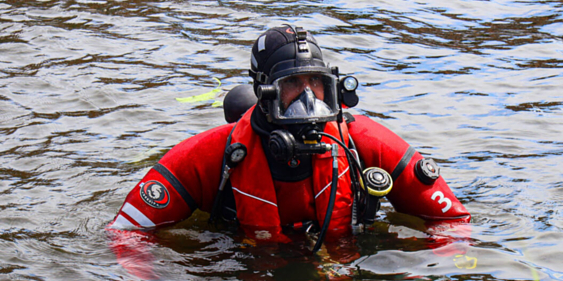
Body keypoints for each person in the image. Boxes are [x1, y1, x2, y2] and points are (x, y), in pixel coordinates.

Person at [108, 25, 469, 254]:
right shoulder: (208, 155)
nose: (308, 98)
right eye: (292, 86)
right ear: (263, 91)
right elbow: (125, 236)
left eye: (316, 84)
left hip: (346, 274)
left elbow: (452, 224)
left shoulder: (364, 141)